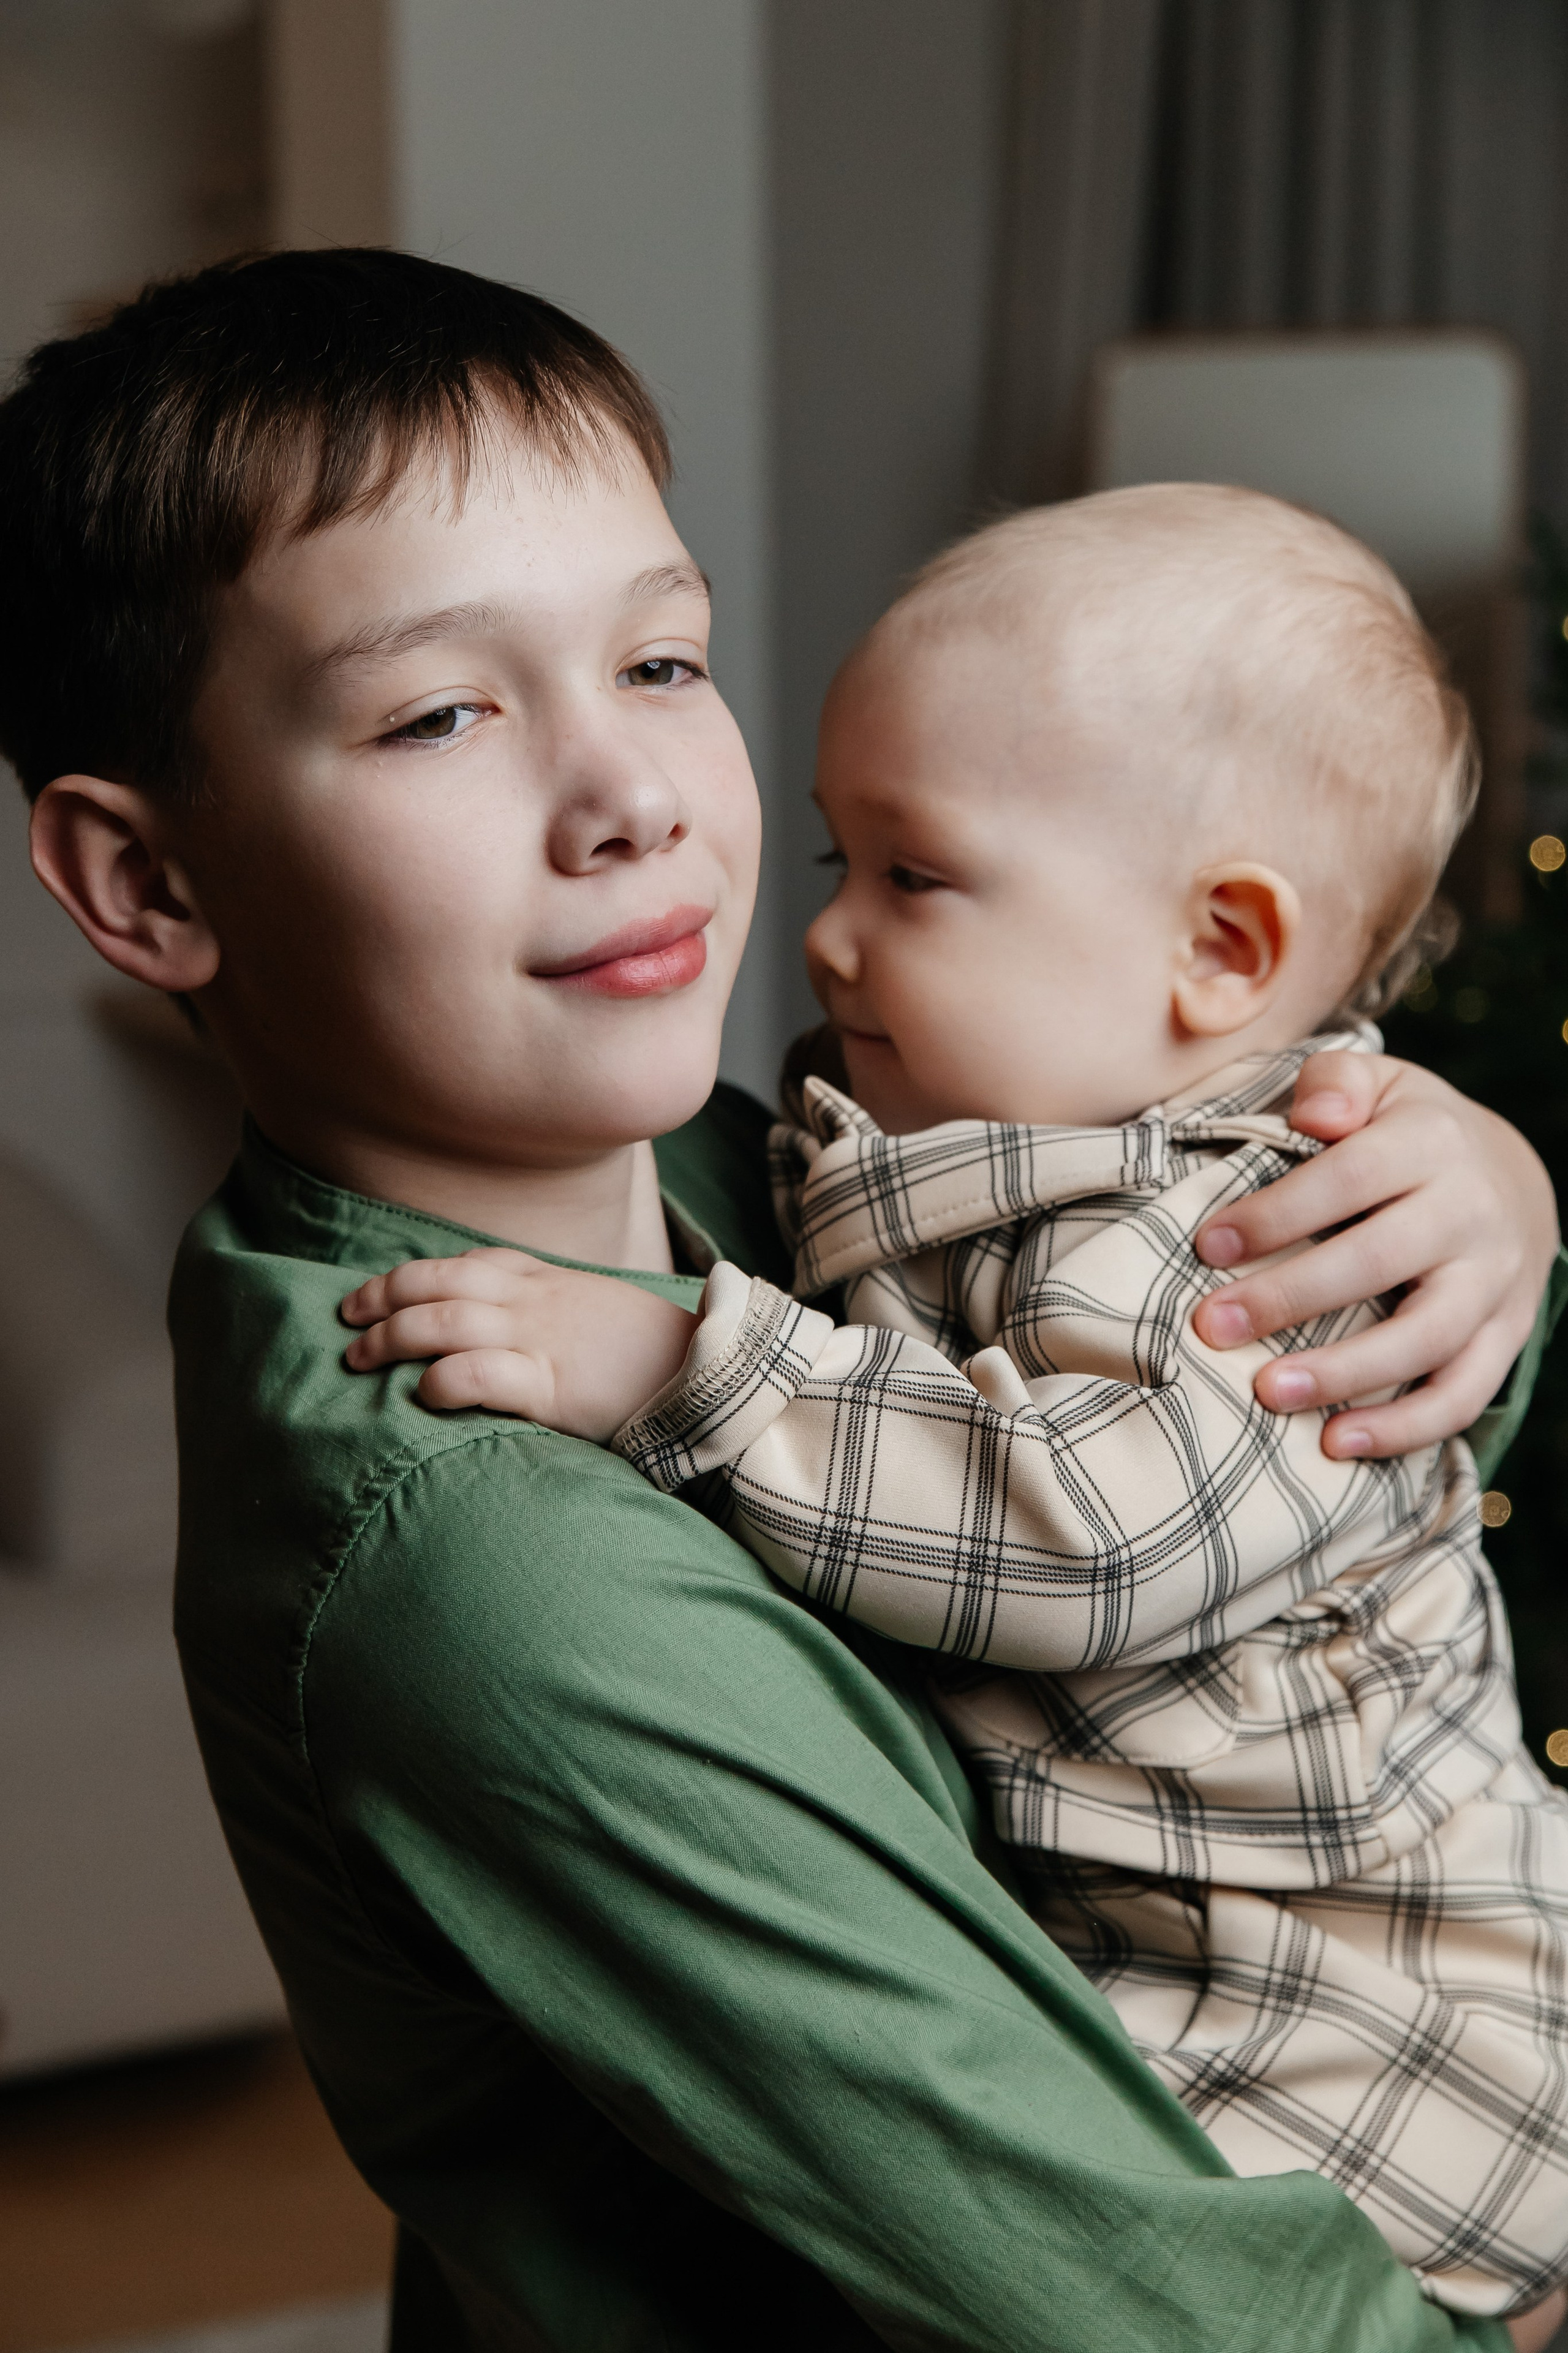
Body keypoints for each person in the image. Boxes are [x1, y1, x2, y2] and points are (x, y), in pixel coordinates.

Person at [2, 249, 1558, 2352]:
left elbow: (1238, 1430)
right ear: (150, 885)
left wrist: (1477, 1197)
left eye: (660, 662)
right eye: (443, 708)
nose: (633, 794)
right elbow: (1154, 2308)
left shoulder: (762, 1160)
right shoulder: (490, 1563)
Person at [350, 488, 1568, 2336]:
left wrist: (683, 1363)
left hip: (1365, 2019)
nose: (830, 942)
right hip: (1164, 1951)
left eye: (911, 877)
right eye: (840, 858)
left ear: (1224, 957)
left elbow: (1075, 1538)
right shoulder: (984, 1144)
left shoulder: (1227, 1240)